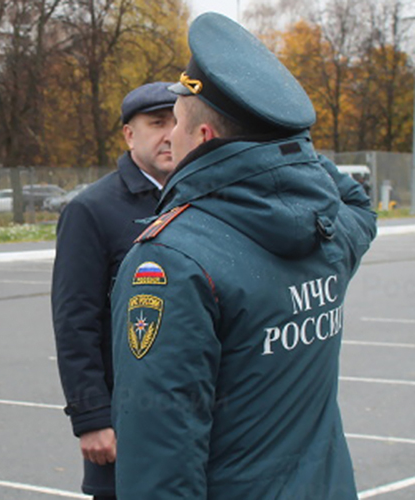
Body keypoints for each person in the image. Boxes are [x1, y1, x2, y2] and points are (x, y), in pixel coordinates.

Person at [110, 13, 376, 500]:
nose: (169, 139)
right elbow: (361, 206)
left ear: (205, 139)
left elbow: (160, 461)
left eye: (179, 125)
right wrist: (291, 145)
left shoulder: (172, 260)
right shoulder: (328, 233)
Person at [52, 82, 179, 499]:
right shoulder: (92, 210)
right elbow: (75, 321)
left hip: (190, 420)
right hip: (125, 425)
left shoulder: (200, 199)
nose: (169, 134)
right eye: (157, 123)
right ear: (129, 134)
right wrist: (91, 417)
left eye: (177, 122)